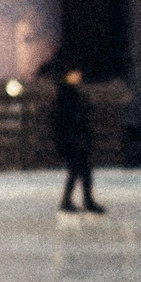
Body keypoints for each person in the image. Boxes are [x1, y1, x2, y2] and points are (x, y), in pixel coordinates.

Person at [53, 66, 102, 215]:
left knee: (81, 171)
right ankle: (75, 201)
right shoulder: (67, 95)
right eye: (74, 74)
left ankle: (82, 200)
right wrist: (74, 137)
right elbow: (67, 120)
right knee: (78, 170)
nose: (78, 76)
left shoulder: (74, 93)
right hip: (73, 140)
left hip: (78, 139)